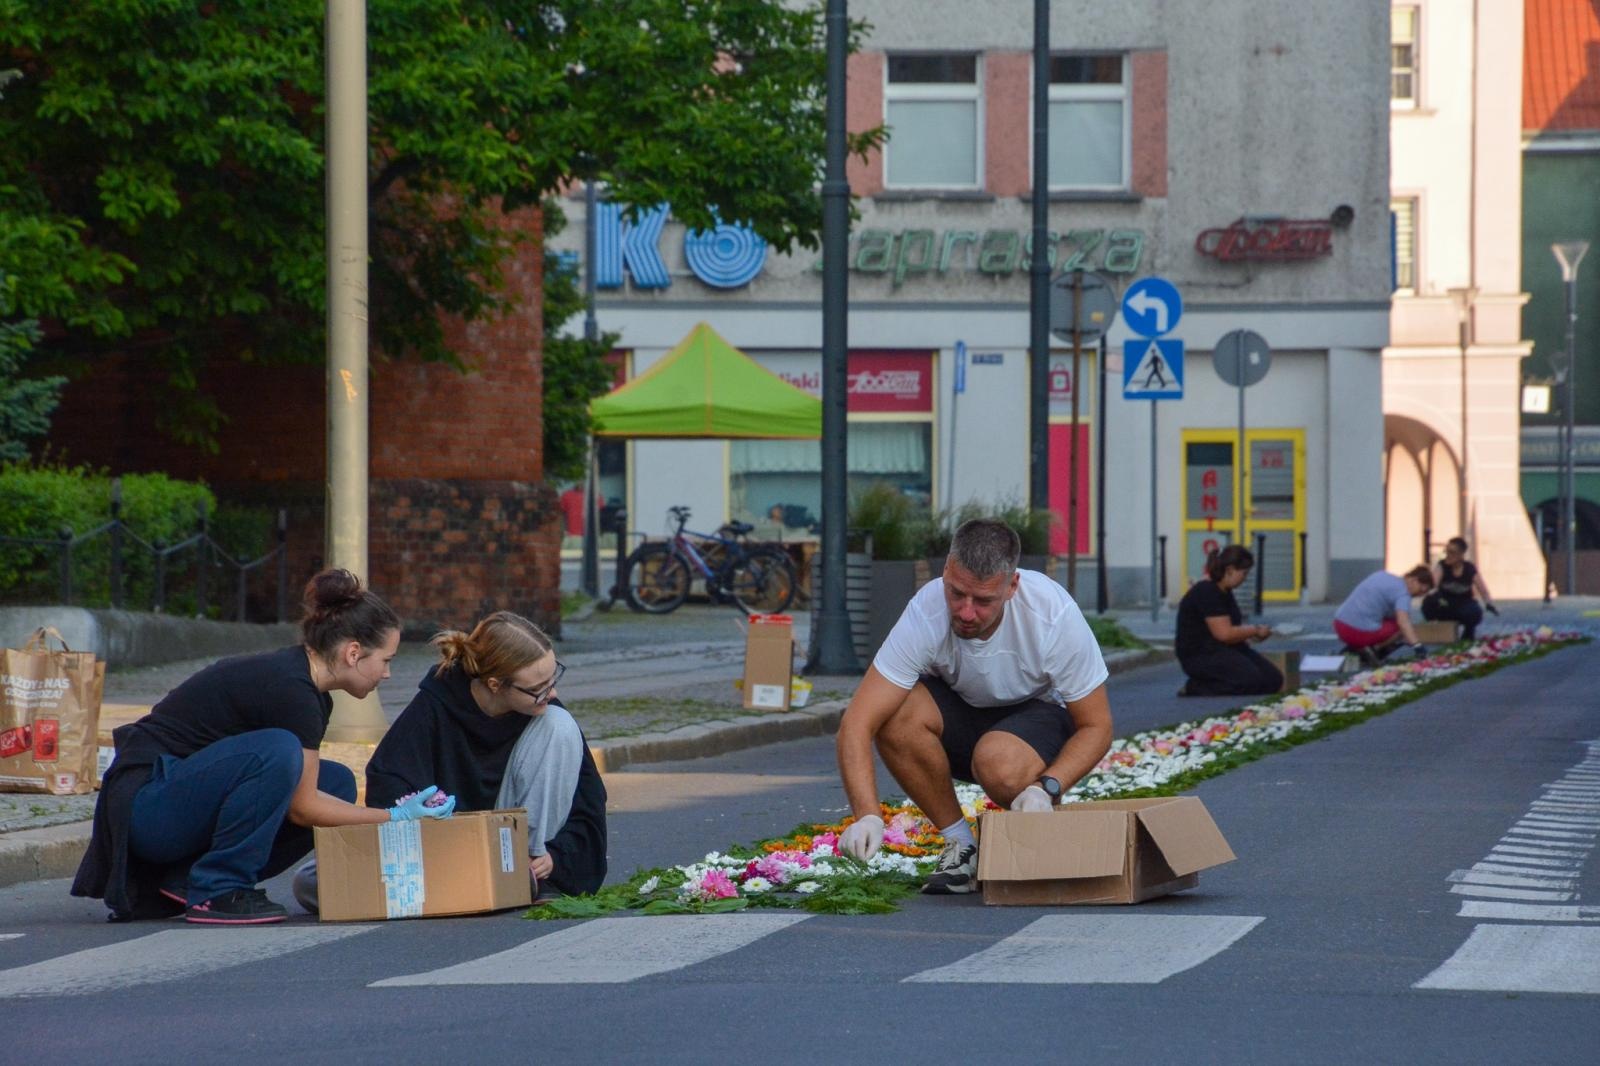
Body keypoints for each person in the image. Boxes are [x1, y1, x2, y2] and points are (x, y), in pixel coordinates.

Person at [71, 570, 455, 925]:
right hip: (146, 808)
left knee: (334, 780)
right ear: (353, 653)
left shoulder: (309, 691)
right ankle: (219, 888)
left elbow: (301, 796)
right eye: (386, 660)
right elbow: (304, 809)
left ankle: (187, 880)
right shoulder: (292, 690)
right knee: (279, 751)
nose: (388, 673)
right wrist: (394, 818)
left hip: (175, 805)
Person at [833, 518, 1113, 895]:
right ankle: (962, 845)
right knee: (896, 712)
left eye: (983, 601)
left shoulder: (1053, 614)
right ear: (946, 570)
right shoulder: (927, 610)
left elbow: (1097, 727)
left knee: (997, 759)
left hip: (1036, 717)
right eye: (957, 593)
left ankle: (1034, 818)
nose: (966, 612)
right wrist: (868, 816)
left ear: (1012, 586)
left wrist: (1047, 786)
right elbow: (857, 723)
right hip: (963, 713)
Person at [295, 611, 606, 909]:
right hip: (447, 845)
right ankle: (473, 885)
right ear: (495, 685)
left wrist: (553, 856)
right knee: (310, 881)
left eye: (552, 679)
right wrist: (431, 825)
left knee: (559, 722)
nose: (550, 694)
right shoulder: (437, 704)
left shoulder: (545, 716)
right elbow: (389, 783)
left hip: (512, 848)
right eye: (539, 689)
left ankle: (519, 875)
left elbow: (587, 804)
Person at [1175, 545, 1283, 697]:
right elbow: (1224, 634)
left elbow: (1232, 629)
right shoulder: (1207, 591)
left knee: (1272, 680)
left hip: (1225, 649)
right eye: (1243, 573)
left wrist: (1252, 635)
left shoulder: (1225, 591)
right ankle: (1196, 687)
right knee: (1249, 680)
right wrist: (1255, 630)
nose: (1244, 579)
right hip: (1201, 653)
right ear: (1230, 570)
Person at [1333, 565, 1435, 663]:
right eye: (1421, 590)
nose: (1419, 595)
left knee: (1389, 621)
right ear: (1413, 580)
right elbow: (1403, 622)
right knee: (1402, 628)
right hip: (1357, 632)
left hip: (1339, 624)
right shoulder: (1403, 594)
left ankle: (1356, 649)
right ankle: (1374, 649)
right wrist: (1417, 645)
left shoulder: (1381, 575)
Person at [1422, 537, 1498, 640]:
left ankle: (1468, 634)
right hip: (1445, 604)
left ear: (1461, 554)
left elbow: (1482, 589)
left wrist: (1488, 603)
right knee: (1428, 603)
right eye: (1447, 551)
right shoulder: (1442, 566)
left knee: (1475, 612)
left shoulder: (1469, 568)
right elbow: (1433, 587)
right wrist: (1437, 597)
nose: (1448, 555)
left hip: (1463, 604)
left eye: (1452, 552)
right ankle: (1437, 630)